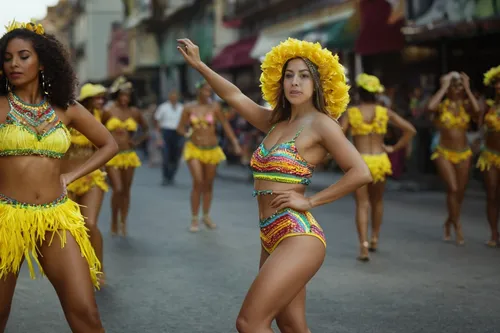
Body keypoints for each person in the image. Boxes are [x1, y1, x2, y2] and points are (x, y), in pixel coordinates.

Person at [177, 37, 372, 332]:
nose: (295, 82)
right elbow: (234, 96)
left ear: (319, 83)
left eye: (304, 76)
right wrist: (200, 65)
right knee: (292, 326)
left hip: (298, 236)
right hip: (269, 236)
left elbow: (360, 172)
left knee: (250, 323)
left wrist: (310, 201)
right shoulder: (275, 122)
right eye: (289, 76)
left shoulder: (322, 124)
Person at [0, 20, 118, 332]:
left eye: (23, 56)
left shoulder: (66, 109)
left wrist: (72, 175)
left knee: (86, 314)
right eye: (8, 57)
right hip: (4, 218)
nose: (14, 63)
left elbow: (109, 144)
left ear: (42, 61)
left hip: (55, 218)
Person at [341, 73, 416, 261]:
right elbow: (410, 130)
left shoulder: (352, 113)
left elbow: (338, 137)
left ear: (359, 92)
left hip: (359, 162)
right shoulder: (384, 112)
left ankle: (363, 246)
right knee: (378, 202)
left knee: (362, 204)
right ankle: (374, 238)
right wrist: (394, 147)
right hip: (380, 159)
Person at [176, 80, 242, 232]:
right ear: (198, 91)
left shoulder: (215, 107)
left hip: (212, 149)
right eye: (205, 90)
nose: (208, 93)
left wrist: (235, 143)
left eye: (209, 91)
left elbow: (226, 125)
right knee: (198, 181)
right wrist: (187, 133)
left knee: (208, 183)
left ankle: (206, 215)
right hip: (194, 149)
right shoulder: (188, 108)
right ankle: (194, 218)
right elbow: (180, 127)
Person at [62, 83, 109, 285]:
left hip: (91, 178)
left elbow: (107, 144)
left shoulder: (100, 117)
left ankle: (98, 267)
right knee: (73, 228)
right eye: (96, 98)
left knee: (89, 223)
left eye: (101, 98)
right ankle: (78, 268)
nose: (100, 101)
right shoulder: (65, 115)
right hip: (66, 180)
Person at [427, 71, 480, 245]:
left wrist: (467, 87)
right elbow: (430, 107)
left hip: (464, 153)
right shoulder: (442, 106)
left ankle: (449, 220)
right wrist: (443, 87)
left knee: (460, 192)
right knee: (453, 188)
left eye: (459, 86)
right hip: (443, 152)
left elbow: (478, 111)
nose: (456, 90)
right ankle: (457, 225)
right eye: (453, 86)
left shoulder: (466, 104)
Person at [102, 76, 149, 237]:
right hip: (113, 155)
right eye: (122, 95)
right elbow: (98, 130)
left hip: (128, 154)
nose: (124, 99)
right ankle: (114, 220)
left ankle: (123, 221)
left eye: (127, 96)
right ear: (117, 95)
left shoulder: (134, 112)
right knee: (118, 188)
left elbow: (146, 129)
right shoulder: (108, 111)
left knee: (126, 190)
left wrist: (136, 141)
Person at [478, 65, 500, 247]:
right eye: (496, 83)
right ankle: (494, 233)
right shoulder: (487, 106)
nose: (499, 86)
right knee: (492, 193)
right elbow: (478, 125)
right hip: (490, 156)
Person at [155, 90, 184, 185]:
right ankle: (165, 176)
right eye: (172, 95)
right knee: (166, 155)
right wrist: (158, 137)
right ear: (169, 97)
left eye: (175, 96)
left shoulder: (182, 107)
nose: (174, 97)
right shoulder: (163, 107)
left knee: (176, 156)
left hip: (178, 133)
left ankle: (171, 176)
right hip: (166, 132)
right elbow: (158, 121)